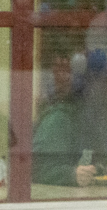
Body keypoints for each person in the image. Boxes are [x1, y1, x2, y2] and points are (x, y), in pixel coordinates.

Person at [32, 53, 102, 186]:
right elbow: (35, 169)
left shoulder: (92, 119)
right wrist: (71, 175)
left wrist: (99, 169)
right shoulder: (58, 119)